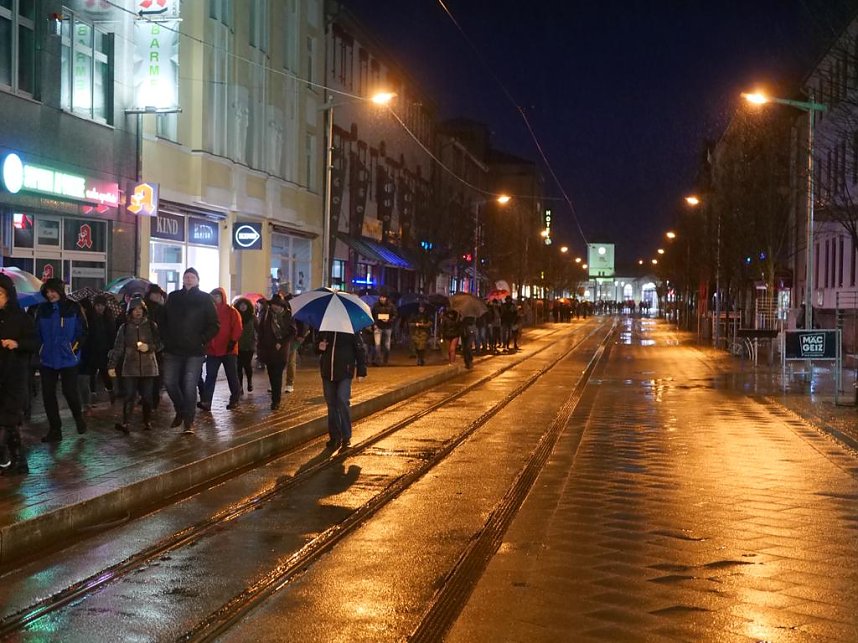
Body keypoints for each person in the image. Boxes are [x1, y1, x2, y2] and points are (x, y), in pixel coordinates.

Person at [161, 268, 219, 435]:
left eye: (192, 277)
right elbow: (163, 320)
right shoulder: (173, 297)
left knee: (189, 385)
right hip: (173, 349)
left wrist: (201, 339)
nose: (189, 279)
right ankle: (180, 409)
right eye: (186, 276)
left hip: (195, 351)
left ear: (198, 280)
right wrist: (166, 338)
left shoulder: (205, 298)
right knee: (170, 382)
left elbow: (214, 324)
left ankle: (189, 421)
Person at [35, 278, 88, 442]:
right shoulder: (42, 309)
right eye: (47, 292)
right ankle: (55, 430)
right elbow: (36, 333)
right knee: (48, 395)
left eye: (53, 291)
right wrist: (39, 349)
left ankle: (78, 419)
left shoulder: (73, 307)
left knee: (70, 392)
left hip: (68, 359)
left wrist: (74, 349)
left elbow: (83, 331)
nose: (50, 295)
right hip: (47, 359)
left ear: (60, 290)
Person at [0, 273, 38, 475]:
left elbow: (34, 343)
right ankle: (18, 461)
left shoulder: (22, 318)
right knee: (10, 423)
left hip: (15, 375)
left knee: (8, 419)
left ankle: (7, 460)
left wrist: (17, 344)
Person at [107, 297, 161, 433]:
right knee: (129, 395)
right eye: (135, 309)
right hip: (130, 367)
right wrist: (111, 365)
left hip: (149, 367)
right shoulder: (124, 328)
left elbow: (160, 344)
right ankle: (126, 423)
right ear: (130, 311)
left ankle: (147, 421)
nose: (138, 312)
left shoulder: (151, 325)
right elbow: (118, 347)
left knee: (147, 397)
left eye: (140, 309)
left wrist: (148, 347)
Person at [316, 330, 367, 450]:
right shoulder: (325, 329)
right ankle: (334, 437)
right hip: (327, 372)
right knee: (331, 404)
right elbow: (316, 348)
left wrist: (361, 371)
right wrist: (319, 347)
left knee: (342, 400)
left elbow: (359, 350)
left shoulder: (350, 330)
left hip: (345, 371)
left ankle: (346, 436)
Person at [199, 287, 243, 412]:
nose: (215, 299)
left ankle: (235, 399)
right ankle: (207, 401)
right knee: (210, 376)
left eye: (217, 296)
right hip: (213, 350)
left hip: (229, 350)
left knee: (231, 375)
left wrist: (233, 341)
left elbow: (237, 328)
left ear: (222, 297)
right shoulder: (208, 312)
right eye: (213, 297)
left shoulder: (231, 311)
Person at [256, 297, 294, 410]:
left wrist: (281, 342)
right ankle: (275, 396)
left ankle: (276, 400)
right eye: (273, 304)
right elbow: (261, 330)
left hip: (281, 350)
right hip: (268, 350)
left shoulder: (288, 316)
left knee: (277, 375)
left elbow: (292, 332)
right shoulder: (267, 315)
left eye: (277, 305)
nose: (275, 307)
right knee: (272, 375)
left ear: (282, 306)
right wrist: (260, 345)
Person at [83, 294, 116, 404]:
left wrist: (112, 348)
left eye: (102, 305)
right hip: (92, 350)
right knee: (92, 373)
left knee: (105, 372)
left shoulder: (109, 318)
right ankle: (92, 394)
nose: (100, 307)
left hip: (104, 350)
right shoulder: (89, 318)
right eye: (97, 305)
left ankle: (111, 392)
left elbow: (112, 334)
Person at [233, 297, 257, 395]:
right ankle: (240, 387)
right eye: (241, 305)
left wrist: (256, 340)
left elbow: (258, 329)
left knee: (247, 365)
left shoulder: (252, 317)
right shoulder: (235, 316)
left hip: (249, 345)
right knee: (238, 366)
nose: (243, 307)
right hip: (237, 345)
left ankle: (249, 382)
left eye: (244, 305)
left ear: (248, 306)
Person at [371, 293, 398, 366]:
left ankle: (385, 360)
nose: (382, 299)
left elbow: (395, 315)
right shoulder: (375, 305)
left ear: (386, 298)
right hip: (378, 327)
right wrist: (374, 324)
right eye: (381, 297)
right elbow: (372, 315)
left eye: (383, 297)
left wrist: (389, 320)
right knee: (377, 345)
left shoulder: (391, 306)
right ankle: (378, 361)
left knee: (387, 346)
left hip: (388, 327)